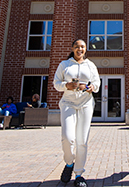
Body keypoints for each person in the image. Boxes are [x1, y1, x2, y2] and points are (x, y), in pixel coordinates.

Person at [54, 39, 100, 187]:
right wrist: (67, 85)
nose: (80, 49)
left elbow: (97, 83)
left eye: (82, 47)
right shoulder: (64, 65)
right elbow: (56, 84)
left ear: (85, 49)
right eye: (77, 47)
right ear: (73, 48)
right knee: (68, 138)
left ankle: (79, 174)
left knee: (82, 141)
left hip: (86, 104)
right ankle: (69, 163)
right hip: (68, 103)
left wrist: (91, 87)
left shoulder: (90, 65)